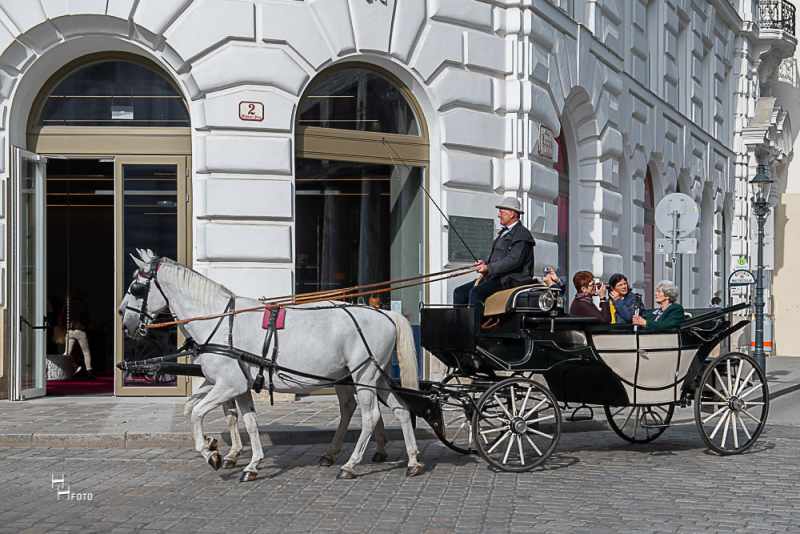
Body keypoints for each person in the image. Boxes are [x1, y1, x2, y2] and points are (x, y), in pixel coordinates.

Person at [453, 197, 535, 326]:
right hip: (497, 277)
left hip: (511, 280)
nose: (498, 215)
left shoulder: (522, 234)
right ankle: (461, 328)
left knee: (476, 292)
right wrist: (484, 264)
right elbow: (498, 257)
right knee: (459, 292)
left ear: (512, 213)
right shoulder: (503, 233)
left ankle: (475, 331)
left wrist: (489, 268)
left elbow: (514, 261)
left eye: (502, 211)